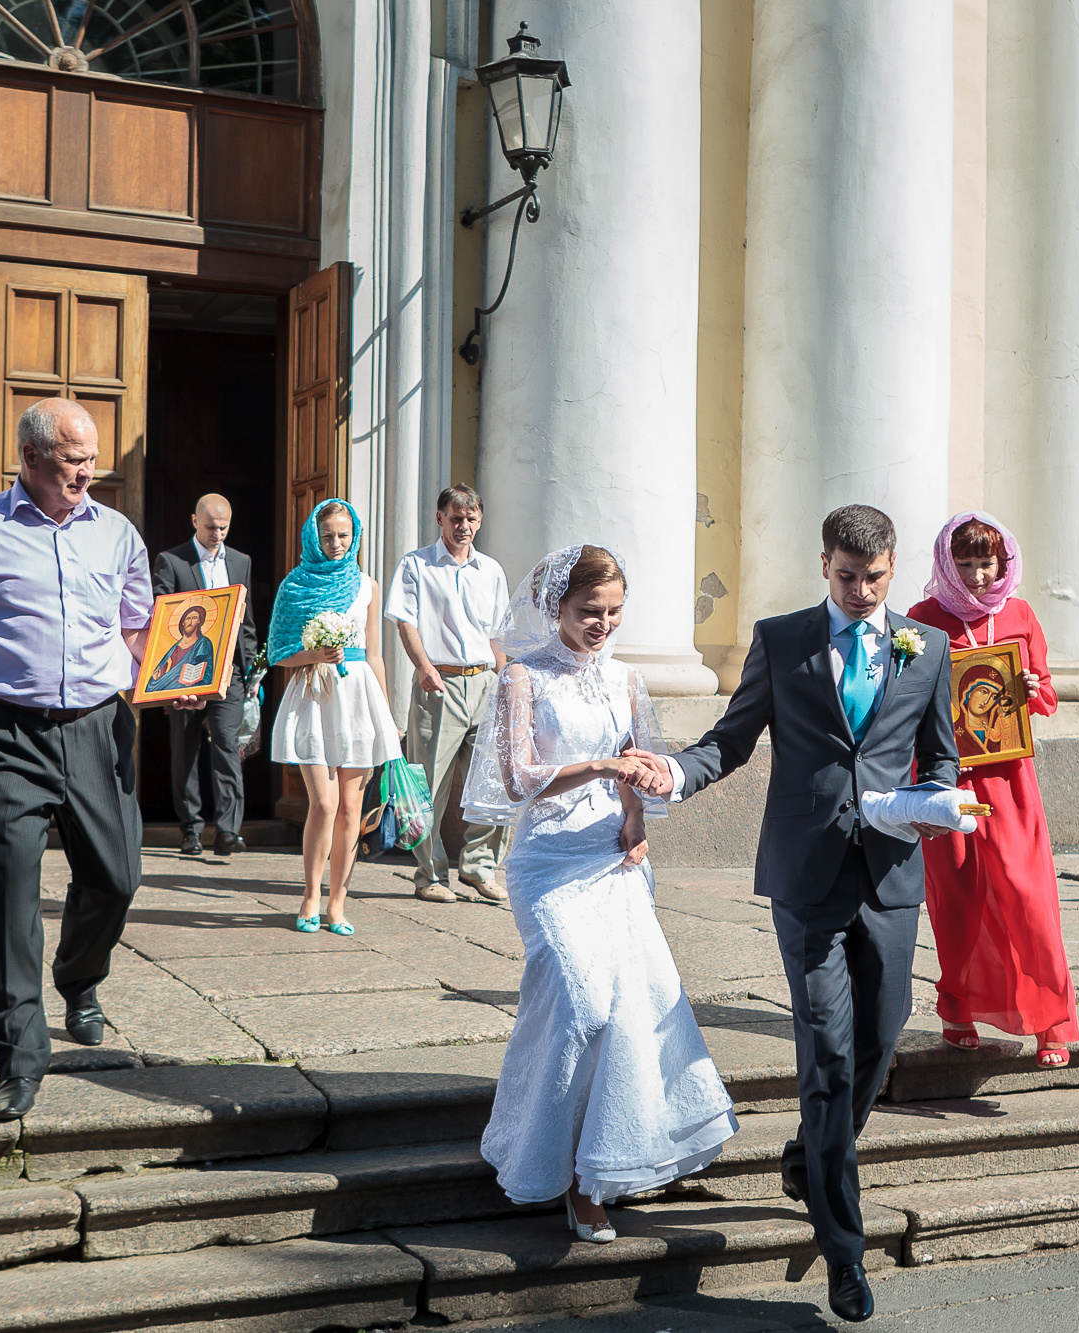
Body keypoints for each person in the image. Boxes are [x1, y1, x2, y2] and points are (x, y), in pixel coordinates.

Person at [629, 504, 957, 1323]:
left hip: (889, 875)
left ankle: (810, 1158)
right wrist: (675, 773)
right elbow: (731, 740)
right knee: (829, 1056)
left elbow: (943, 754)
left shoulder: (928, 646)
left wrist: (940, 803)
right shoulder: (782, 640)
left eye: (874, 578)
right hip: (806, 877)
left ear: (891, 572)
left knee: (883, 1035)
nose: (858, 590)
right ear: (824, 564)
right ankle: (844, 1255)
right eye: (846, 575)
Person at [0, 397, 170, 1122]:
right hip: (6, 734)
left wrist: (171, 677)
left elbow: (139, 625)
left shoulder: (117, 534)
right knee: (13, 892)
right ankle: (20, 1055)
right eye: (74, 459)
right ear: (30, 459)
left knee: (117, 875)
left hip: (96, 726)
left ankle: (79, 976)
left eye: (92, 458)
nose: (89, 471)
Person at [464, 544, 737, 1244]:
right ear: (556, 605)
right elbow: (519, 776)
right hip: (548, 862)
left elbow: (635, 769)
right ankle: (532, 1145)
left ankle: (591, 1179)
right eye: (590, 611)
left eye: (614, 613)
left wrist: (637, 817)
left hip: (613, 860)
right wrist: (594, 765)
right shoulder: (521, 677)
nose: (603, 624)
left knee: (627, 1012)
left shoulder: (624, 679)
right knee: (579, 1000)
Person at [908, 511, 1079, 1069]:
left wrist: (1030, 687)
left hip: (1011, 780)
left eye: (987, 563)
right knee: (955, 897)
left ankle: (1051, 1019)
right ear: (946, 563)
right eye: (966, 563)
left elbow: (1046, 692)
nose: (979, 576)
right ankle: (956, 1009)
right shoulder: (921, 619)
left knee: (1028, 896)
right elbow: (900, 695)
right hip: (943, 776)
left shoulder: (1023, 614)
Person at [267, 499, 400, 935]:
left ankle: (337, 904)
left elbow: (375, 653)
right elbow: (280, 654)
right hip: (315, 692)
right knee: (323, 804)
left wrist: (387, 714)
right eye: (328, 536)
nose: (336, 543)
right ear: (313, 537)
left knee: (351, 810)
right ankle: (309, 895)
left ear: (354, 535)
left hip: (359, 696)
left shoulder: (368, 586)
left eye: (343, 535)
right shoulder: (294, 586)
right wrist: (315, 653)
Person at [384, 484, 512, 903]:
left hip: (484, 683)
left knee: (489, 782)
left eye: (471, 518)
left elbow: (497, 634)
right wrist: (423, 667)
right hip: (437, 683)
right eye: (456, 518)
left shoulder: (491, 570)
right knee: (429, 786)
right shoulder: (416, 565)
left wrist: (506, 680)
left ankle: (479, 868)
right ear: (440, 519)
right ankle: (430, 875)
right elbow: (405, 621)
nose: (464, 526)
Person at [153, 494, 260, 856]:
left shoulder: (241, 561)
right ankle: (191, 828)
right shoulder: (172, 561)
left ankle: (228, 831)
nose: (218, 534)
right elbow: (160, 618)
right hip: (184, 673)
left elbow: (246, 623)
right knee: (185, 748)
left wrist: (251, 673)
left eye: (224, 527)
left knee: (227, 747)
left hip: (228, 673)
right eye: (212, 526)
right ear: (194, 521)